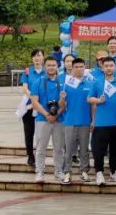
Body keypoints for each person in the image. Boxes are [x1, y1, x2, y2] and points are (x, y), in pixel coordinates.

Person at [88, 57, 116, 186]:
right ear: (102, 68)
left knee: (115, 149)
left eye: (111, 65)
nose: (109, 68)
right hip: (101, 122)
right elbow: (89, 99)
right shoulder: (97, 82)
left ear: (115, 67)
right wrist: (98, 100)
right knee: (99, 150)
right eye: (106, 66)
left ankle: (114, 171)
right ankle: (99, 172)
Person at [30, 56, 65, 185]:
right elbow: (34, 102)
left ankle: (59, 171)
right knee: (41, 147)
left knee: (59, 148)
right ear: (45, 66)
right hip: (42, 119)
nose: (51, 67)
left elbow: (65, 103)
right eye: (49, 65)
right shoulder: (37, 82)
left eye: (53, 65)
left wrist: (56, 114)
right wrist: (46, 115)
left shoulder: (63, 83)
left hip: (59, 119)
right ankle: (39, 172)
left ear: (57, 66)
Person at [60, 57, 92, 184]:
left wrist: (93, 120)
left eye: (81, 67)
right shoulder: (67, 84)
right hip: (70, 121)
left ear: (85, 68)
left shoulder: (90, 83)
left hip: (85, 121)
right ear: (72, 68)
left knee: (84, 149)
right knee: (69, 149)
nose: (79, 69)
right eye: (76, 67)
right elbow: (62, 105)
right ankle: (67, 172)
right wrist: (62, 98)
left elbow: (93, 105)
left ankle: (84, 171)